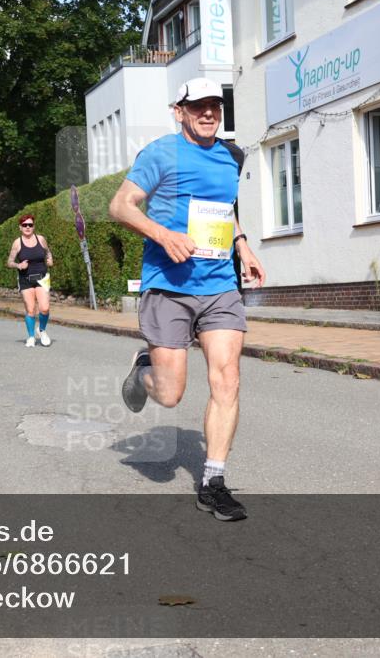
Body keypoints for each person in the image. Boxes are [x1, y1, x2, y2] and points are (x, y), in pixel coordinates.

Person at [109, 77, 266, 522]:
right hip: (168, 286)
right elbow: (121, 206)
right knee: (171, 394)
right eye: (197, 106)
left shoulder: (230, 156)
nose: (208, 113)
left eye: (214, 105)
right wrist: (162, 235)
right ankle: (144, 372)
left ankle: (213, 481)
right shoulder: (161, 153)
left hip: (218, 285)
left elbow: (223, 208)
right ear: (179, 111)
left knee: (228, 379)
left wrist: (243, 245)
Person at [5, 215, 54, 347]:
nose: (28, 227)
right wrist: (18, 265)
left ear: (33, 227)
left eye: (30, 225)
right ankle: (31, 337)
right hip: (25, 279)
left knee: (44, 308)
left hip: (42, 278)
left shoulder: (41, 239)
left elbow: (48, 252)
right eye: (25, 225)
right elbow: (9, 262)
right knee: (30, 309)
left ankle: (42, 330)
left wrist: (50, 260)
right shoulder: (17, 243)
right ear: (20, 227)